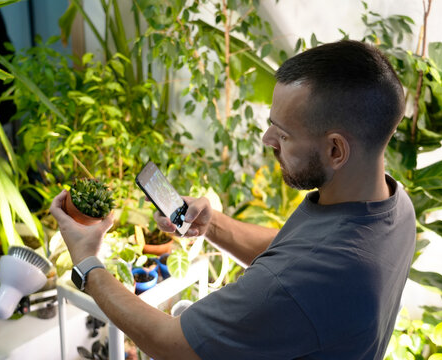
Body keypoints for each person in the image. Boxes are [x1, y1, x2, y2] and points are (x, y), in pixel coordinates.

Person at [50, 40, 416, 360]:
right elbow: (289, 251)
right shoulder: (393, 206)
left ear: (336, 149)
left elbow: (168, 343)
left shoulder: (306, 280)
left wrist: (86, 262)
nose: (268, 139)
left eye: (284, 134)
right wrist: (214, 226)